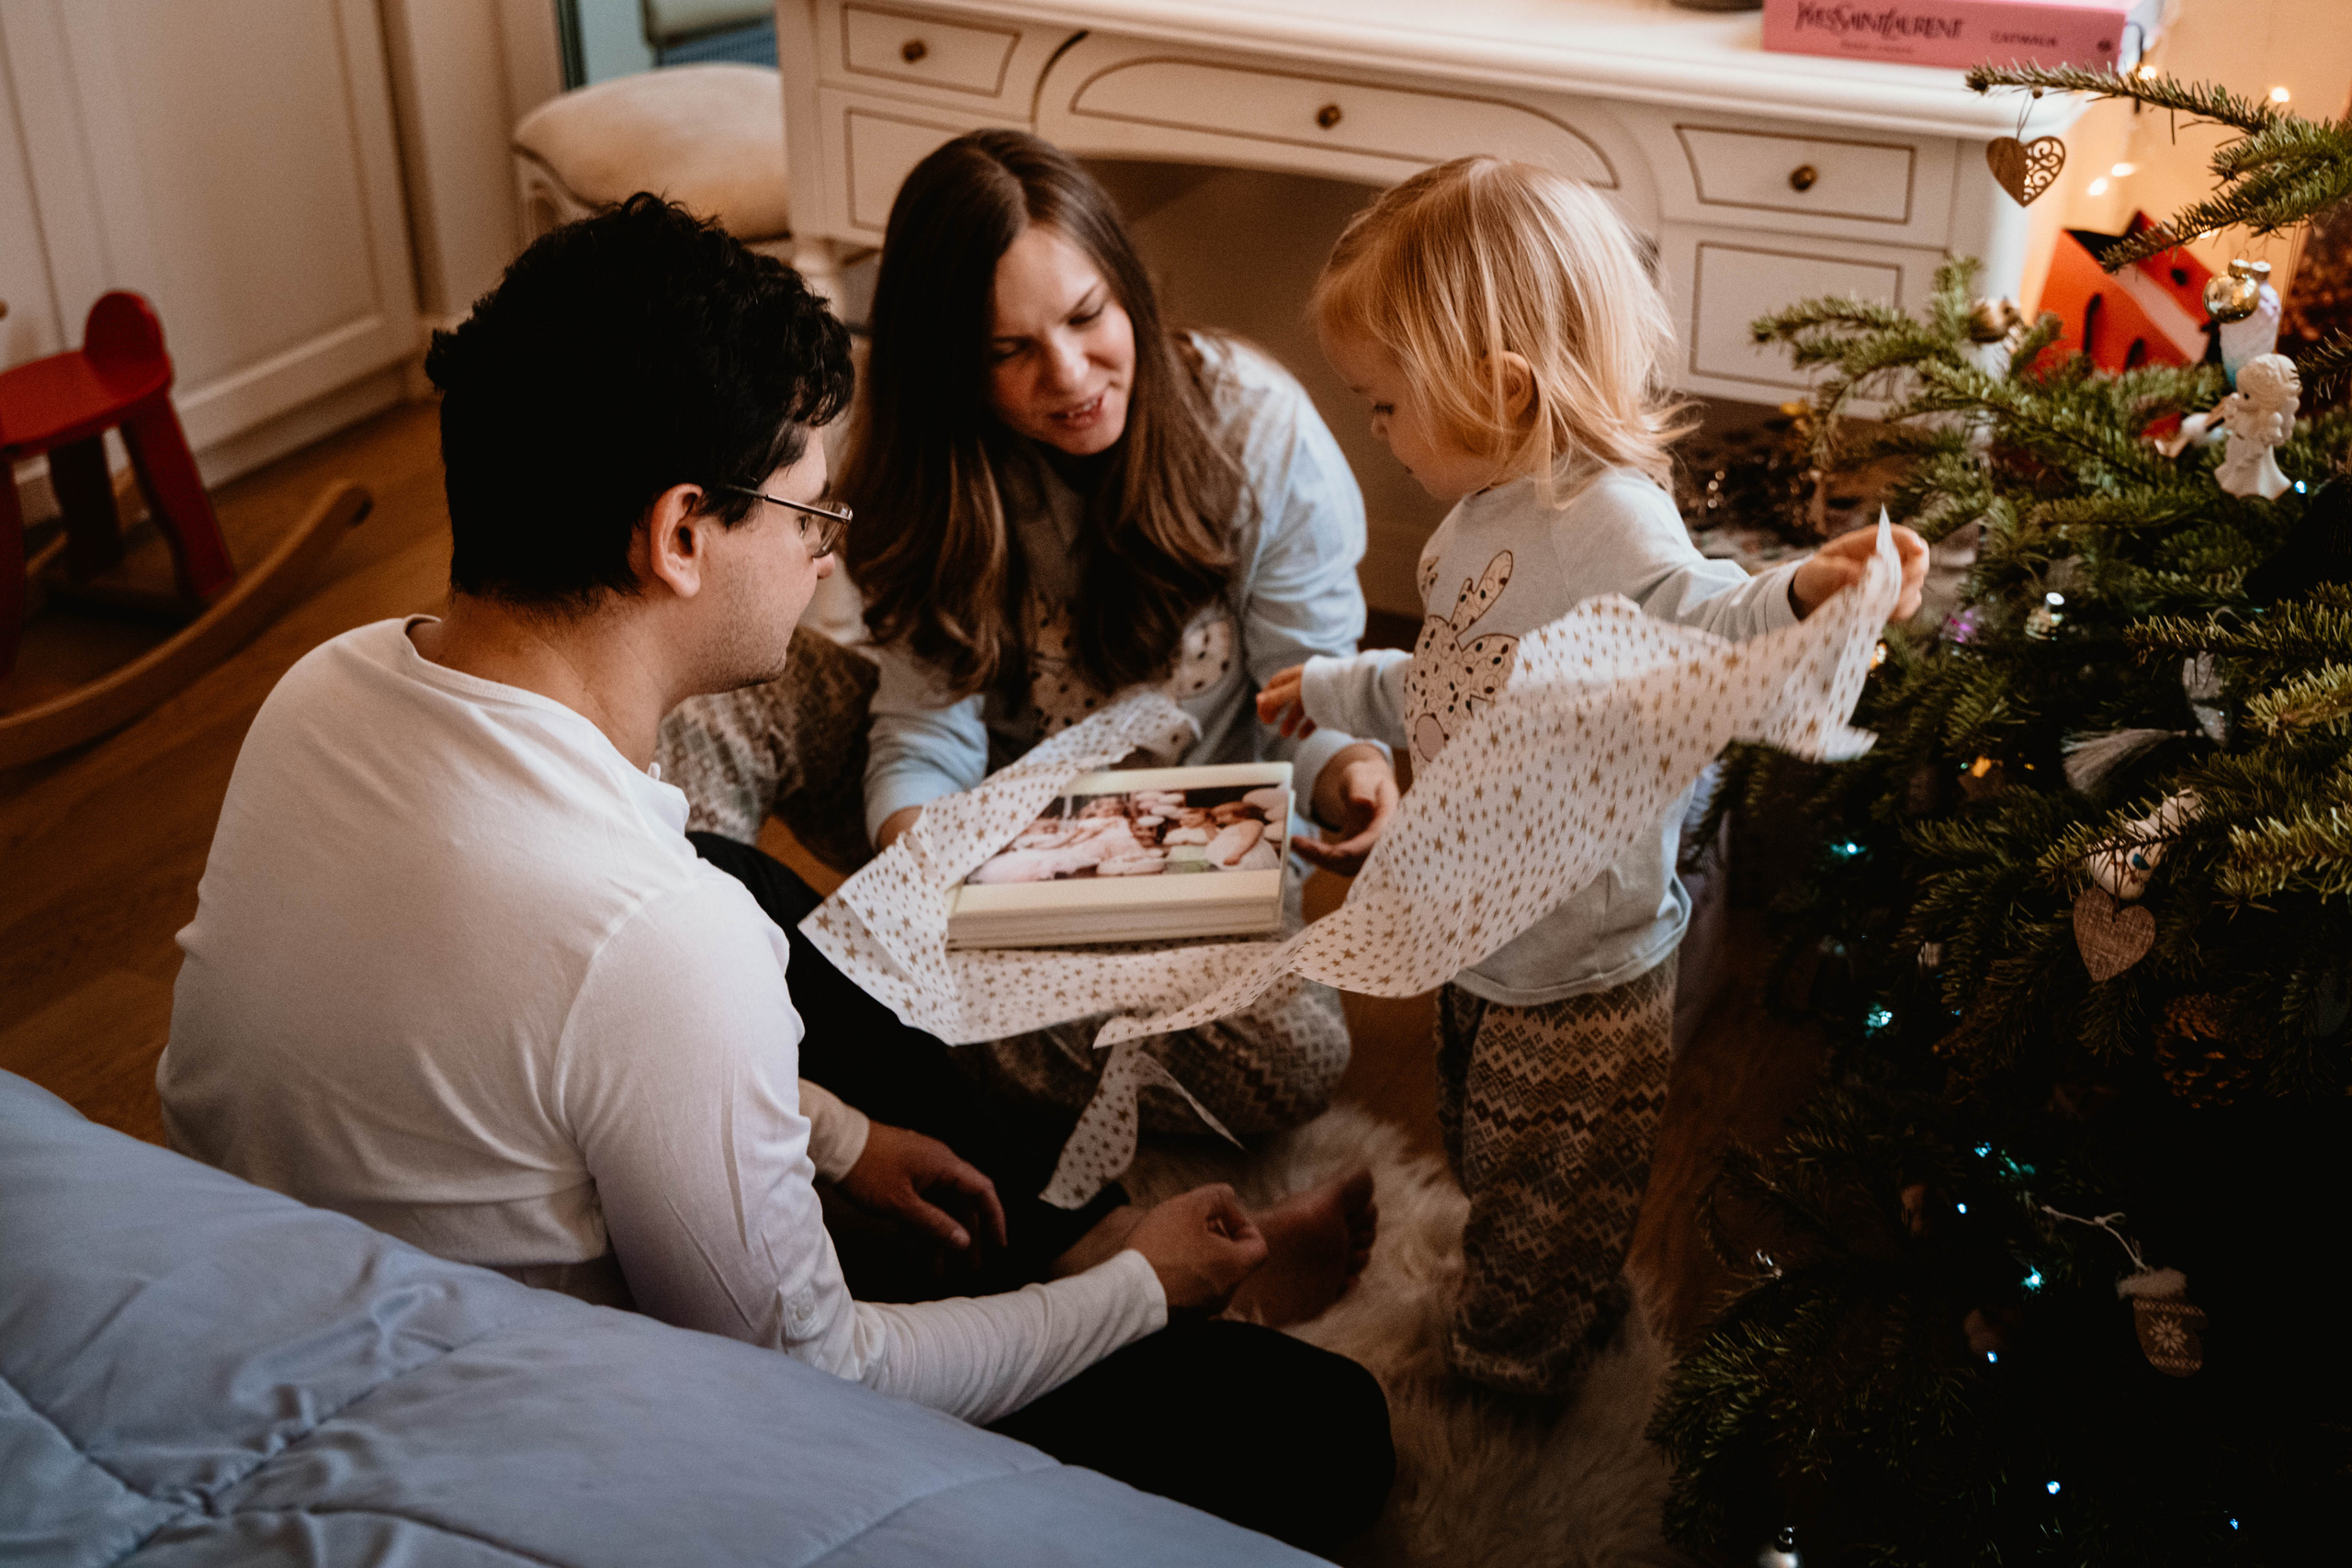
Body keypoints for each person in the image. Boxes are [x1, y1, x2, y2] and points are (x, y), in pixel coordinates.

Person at [156, 196, 1391, 1553]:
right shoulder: (658, 936)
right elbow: (811, 1383)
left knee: (779, 920)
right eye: (810, 508)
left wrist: (843, 1136)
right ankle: (1110, 1258)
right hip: (549, 1436)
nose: (826, 547)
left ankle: (1063, 1233)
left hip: (304, 1300)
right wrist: (1136, 1290)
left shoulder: (325, 683)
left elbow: (529, 1022)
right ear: (682, 532)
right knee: (1332, 1431)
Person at [1259, 158, 1929, 1397]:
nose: (1380, 432)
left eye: (1385, 405)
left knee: (1555, 1173)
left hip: (1579, 969)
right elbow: (1451, 681)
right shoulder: (1473, 522)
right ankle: (1535, 1284)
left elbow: (1710, 619)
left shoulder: (1610, 519)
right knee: (1487, 1142)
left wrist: (1802, 591)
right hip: (1482, 931)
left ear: (1499, 387)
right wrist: (1336, 689)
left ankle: (1504, 1377)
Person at [658, 130, 1393, 1152]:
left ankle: (838, 1034)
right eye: (1008, 352)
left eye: (1089, 318)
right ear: (951, 364)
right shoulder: (924, 470)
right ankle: (700, 1007)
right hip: (977, 842)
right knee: (709, 693)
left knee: (1294, 1056)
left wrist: (1351, 768)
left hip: (1176, 860)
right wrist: (922, 847)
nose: (1070, 375)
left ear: (1127, 287)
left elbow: (1302, 693)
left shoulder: (1256, 429)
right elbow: (923, 729)